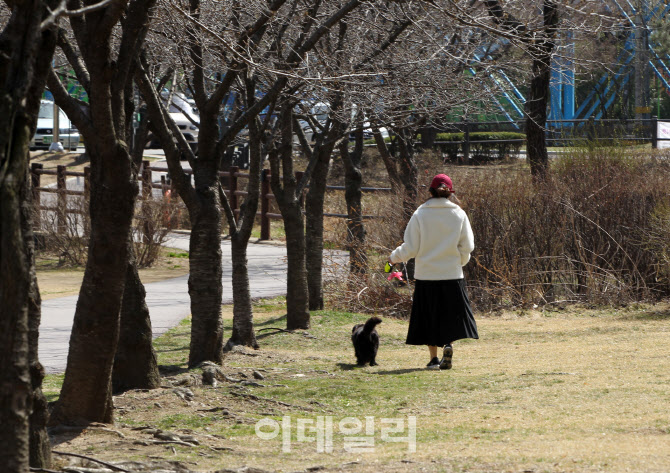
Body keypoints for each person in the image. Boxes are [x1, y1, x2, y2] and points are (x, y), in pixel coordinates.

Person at [389, 173, 477, 370]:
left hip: (426, 276)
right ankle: (448, 344)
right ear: (450, 193)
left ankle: (433, 359)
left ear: (430, 191)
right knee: (449, 314)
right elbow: (468, 246)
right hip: (452, 274)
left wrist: (392, 258)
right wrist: (459, 262)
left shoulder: (420, 214)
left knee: (429, 316)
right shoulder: (459, 214)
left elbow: (410, 248)